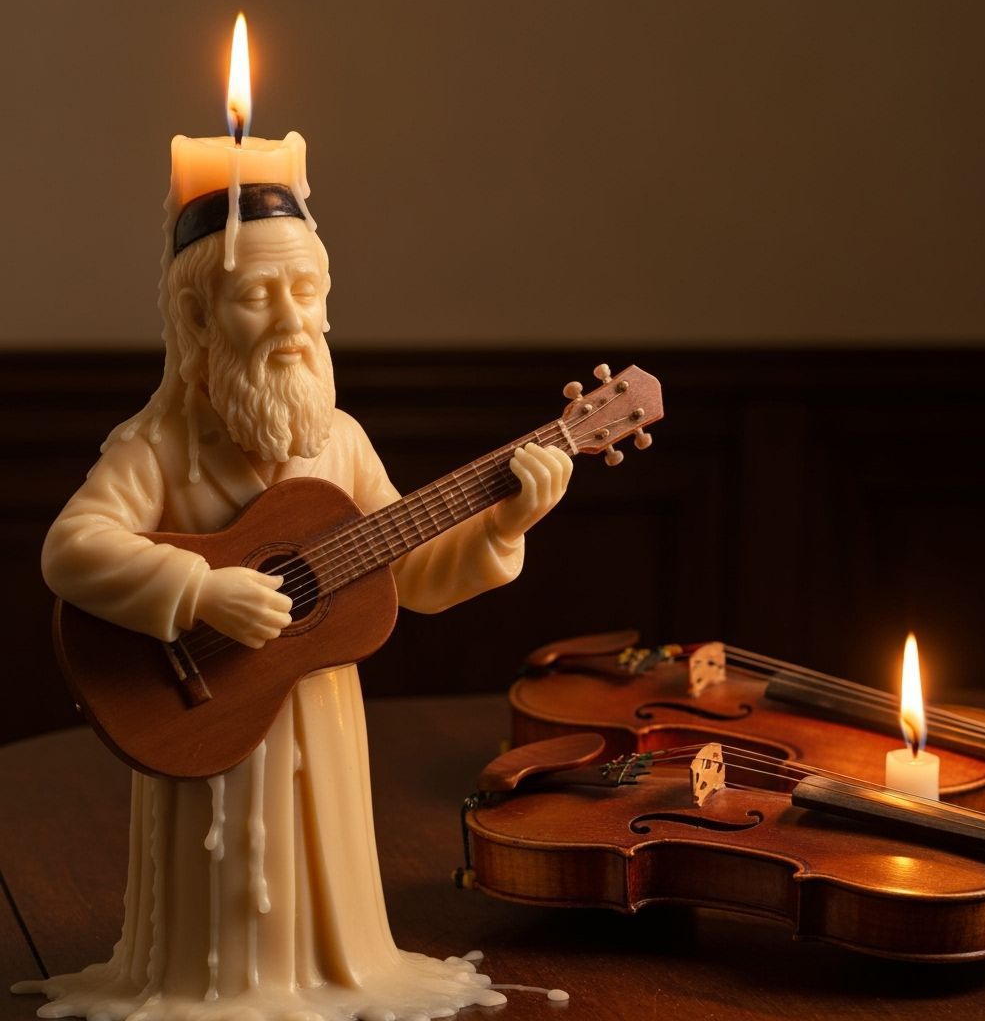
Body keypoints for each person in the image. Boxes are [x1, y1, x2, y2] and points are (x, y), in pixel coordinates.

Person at [19, 185, 571, 1021]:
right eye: (256, 295)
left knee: (319, 877)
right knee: (217, 908)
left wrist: (507, 521)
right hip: (201, 715)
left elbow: (413, 572)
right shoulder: (158, 446)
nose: (291, 319)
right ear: (199, 318)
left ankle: (325, 966)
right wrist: (199, 589)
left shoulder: (341, 440)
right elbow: (72, 549)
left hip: (316, 716)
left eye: (306, 292)